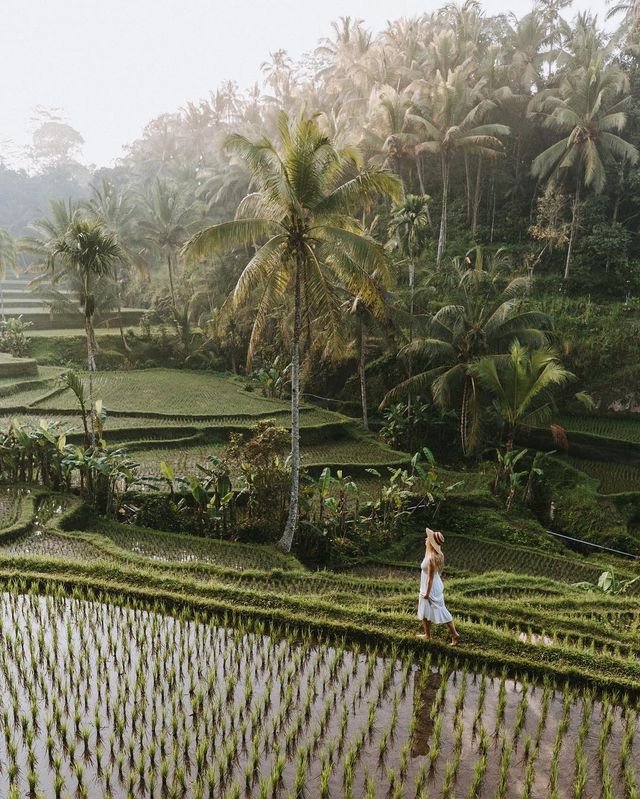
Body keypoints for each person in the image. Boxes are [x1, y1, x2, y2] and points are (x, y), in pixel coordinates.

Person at [417, 527, 459, 645]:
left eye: (428, 538)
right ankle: (427, 634)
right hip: (434, 584)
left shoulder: (431, 558)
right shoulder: (436, 554)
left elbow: (430, 578)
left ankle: (455, 635)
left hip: (430, 587)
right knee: (424, 608)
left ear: (431, 542)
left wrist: (427, 593)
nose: (426, 539)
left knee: (441, 610)